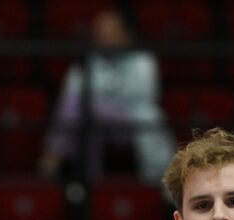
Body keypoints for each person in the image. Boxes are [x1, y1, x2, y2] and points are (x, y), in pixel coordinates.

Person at [39, 9, 171, 184]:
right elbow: (69, 99)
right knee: (78, 107)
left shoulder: (143, 61)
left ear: (126, 35)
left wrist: (103, 103)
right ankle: (91, 184)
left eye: (112, 32)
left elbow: (145, 98)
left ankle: (52, 157)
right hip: (96, 124)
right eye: (101, 34)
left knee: (81, 105)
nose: (106, 39)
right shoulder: (86, 63)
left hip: (133, 122)